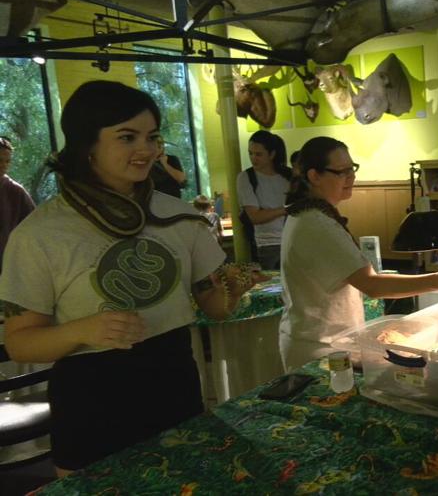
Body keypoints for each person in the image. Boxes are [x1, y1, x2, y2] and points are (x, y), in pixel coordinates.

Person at [0, 80, 263, 475]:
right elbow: (19, 342)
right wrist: (82, 330)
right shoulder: (41, 233)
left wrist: (233, 291)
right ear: (87, 143)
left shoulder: (179, 217)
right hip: (91, 402)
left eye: (152, 137)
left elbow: (215, 308)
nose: (147, 150)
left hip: (176, 385)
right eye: (127, 137)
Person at [279, 136, 438, 371]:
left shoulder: (310, 215)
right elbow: (372, 285)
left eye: (352, 169)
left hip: (322, 343)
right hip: (320, 351)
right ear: (314, 176)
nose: (351, 177)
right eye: (341, 172)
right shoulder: (315, 223)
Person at [236, 130, 291, 269]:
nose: (253, 158)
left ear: (272, 154)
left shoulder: (288, 176)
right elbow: (255, 216)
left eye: (259, 154)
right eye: (250, 153)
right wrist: (286, 209)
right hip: (267, 243)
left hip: (293, 238)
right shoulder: (246, 177)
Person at [0, 136, 36, 275]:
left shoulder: (15, 191)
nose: (3, 165)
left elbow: (34, 226)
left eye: (7, 161)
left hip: (7, 268)